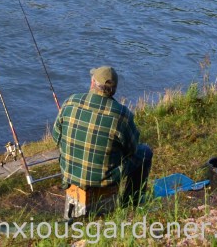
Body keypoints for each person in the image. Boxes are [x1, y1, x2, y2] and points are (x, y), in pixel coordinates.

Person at [53, 65, 152, 202]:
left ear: (93, 82)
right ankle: (131, 200)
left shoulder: (71, 101)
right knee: (145, 152)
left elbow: (56, 136)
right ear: (114, 89)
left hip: (70, 174)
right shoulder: (122, 115)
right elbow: (132, 149)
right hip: (105, 179)